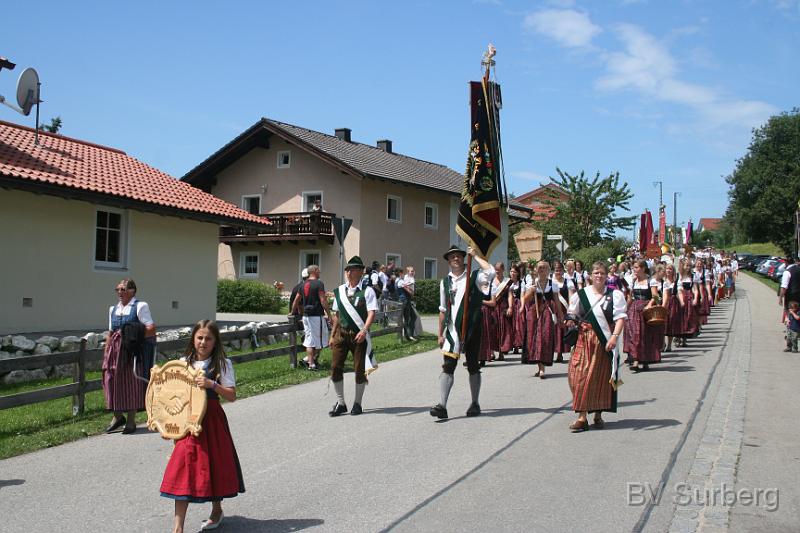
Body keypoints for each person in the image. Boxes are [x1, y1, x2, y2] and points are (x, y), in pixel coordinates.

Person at [160, 320, 244, 533]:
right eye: (200, 337)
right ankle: (177, 528)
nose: (203, 342)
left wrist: (212, 385)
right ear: (193, 339)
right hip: (187, 422)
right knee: (183, 467)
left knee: (213, 464)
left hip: (212, 420)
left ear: (215, 342)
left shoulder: (222, 364)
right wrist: (168, 425)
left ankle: (217, 510)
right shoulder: (182, 363)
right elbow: (170, 395)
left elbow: (232, 395)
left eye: (208, 338)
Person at [431, 245, 494, 419]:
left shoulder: (475, 277)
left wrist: (475, 255)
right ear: (448, 261)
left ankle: (475, 403)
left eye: (459, 256)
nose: (456, 259)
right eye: (452, 257)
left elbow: (491, 272)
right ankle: (442, 406)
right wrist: (440, 333)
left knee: (473, 365)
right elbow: (443, 310)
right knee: (448, 365)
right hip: (452, 331)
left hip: (473, 327)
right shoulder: (445, 282)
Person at [565, 261, 627, 432]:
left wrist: (614, 337)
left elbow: (620, 318)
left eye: (602, 273)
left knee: (598, 377)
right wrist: (570, 320)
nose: (599, 276)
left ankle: (589, 416)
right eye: (596, 273)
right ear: (590, 275)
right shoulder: (581, 294)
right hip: (583, 339)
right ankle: (583, 413)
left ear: (607, 276)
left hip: (603, 341)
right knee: (577, 375)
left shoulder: (615, 295)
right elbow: (572, 312)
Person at [102, 278, 156, 435]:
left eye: (123, 289)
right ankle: (117, 416)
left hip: (130, 350)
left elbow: (151, 329)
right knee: (109, 380)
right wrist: (106, 351)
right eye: (117, 289)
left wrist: (133, 336)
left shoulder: (140, 306)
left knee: (130, 383)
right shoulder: (113, 309)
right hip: (114, 351)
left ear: (132, 291)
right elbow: (111, 332)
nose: (119, 292)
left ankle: (131, 420)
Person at [328, 256, 378, 416]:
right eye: (347, 269)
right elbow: (336, 315)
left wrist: (364, 331)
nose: (348, 272)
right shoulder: (340, 291)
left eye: (352, 269)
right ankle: (341, 402)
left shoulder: (367, 291)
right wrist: (332, 334)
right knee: (335, 367)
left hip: (358, 335)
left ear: (360, 272)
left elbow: (372, 313)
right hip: (341, 334)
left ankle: (357, 403)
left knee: (359, 370)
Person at [522, 260, 560, 378]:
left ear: (548, 270)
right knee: (535, 338)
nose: (541, 269)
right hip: (534, 313)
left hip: (547, 313)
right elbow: (525, 299)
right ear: (536, 270)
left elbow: (557, 301)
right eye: (540, 267)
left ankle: (542, 367)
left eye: (544, 267)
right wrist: (531, 290)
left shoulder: (552, 284)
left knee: (544, 338)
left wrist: (561, 317)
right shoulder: (533, 283)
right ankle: (540, 367)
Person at [291, 265, 332, 371]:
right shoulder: (319, 284)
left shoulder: (303, 284)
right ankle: (311, 361)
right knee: (320, 339)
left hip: (306, 316)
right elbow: (323, 300)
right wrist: (329, 314)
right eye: (318, 270)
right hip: (316, 316)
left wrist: (292, 312)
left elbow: (296, 300)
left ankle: (310, 363)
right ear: (314, 271)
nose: (320, 272)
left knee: (310, 340)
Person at [625, 261, 662, 372]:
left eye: (636, 267)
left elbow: (656, 297)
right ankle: (636, 360)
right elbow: (630, 297)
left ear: (643, 268)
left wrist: (649, 305)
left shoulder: (651, 281)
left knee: (645, 335)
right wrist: (625, 309)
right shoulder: (633, 281)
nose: (634, 270)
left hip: (646, 310)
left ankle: (645, 360)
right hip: (634, 310)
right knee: (634, 334)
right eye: (634, 268)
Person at [396, 265, 418, 341]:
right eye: (410, 271)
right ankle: (408, 335)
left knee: (412, 317)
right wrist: (412, 293)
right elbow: (406, 288)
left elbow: (408, 287)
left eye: (413, 271)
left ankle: (410, 334)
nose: (412, 272)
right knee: (407, 318)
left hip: (407, 299)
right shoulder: (402, 280)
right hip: (405, 300)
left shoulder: (407, 278)